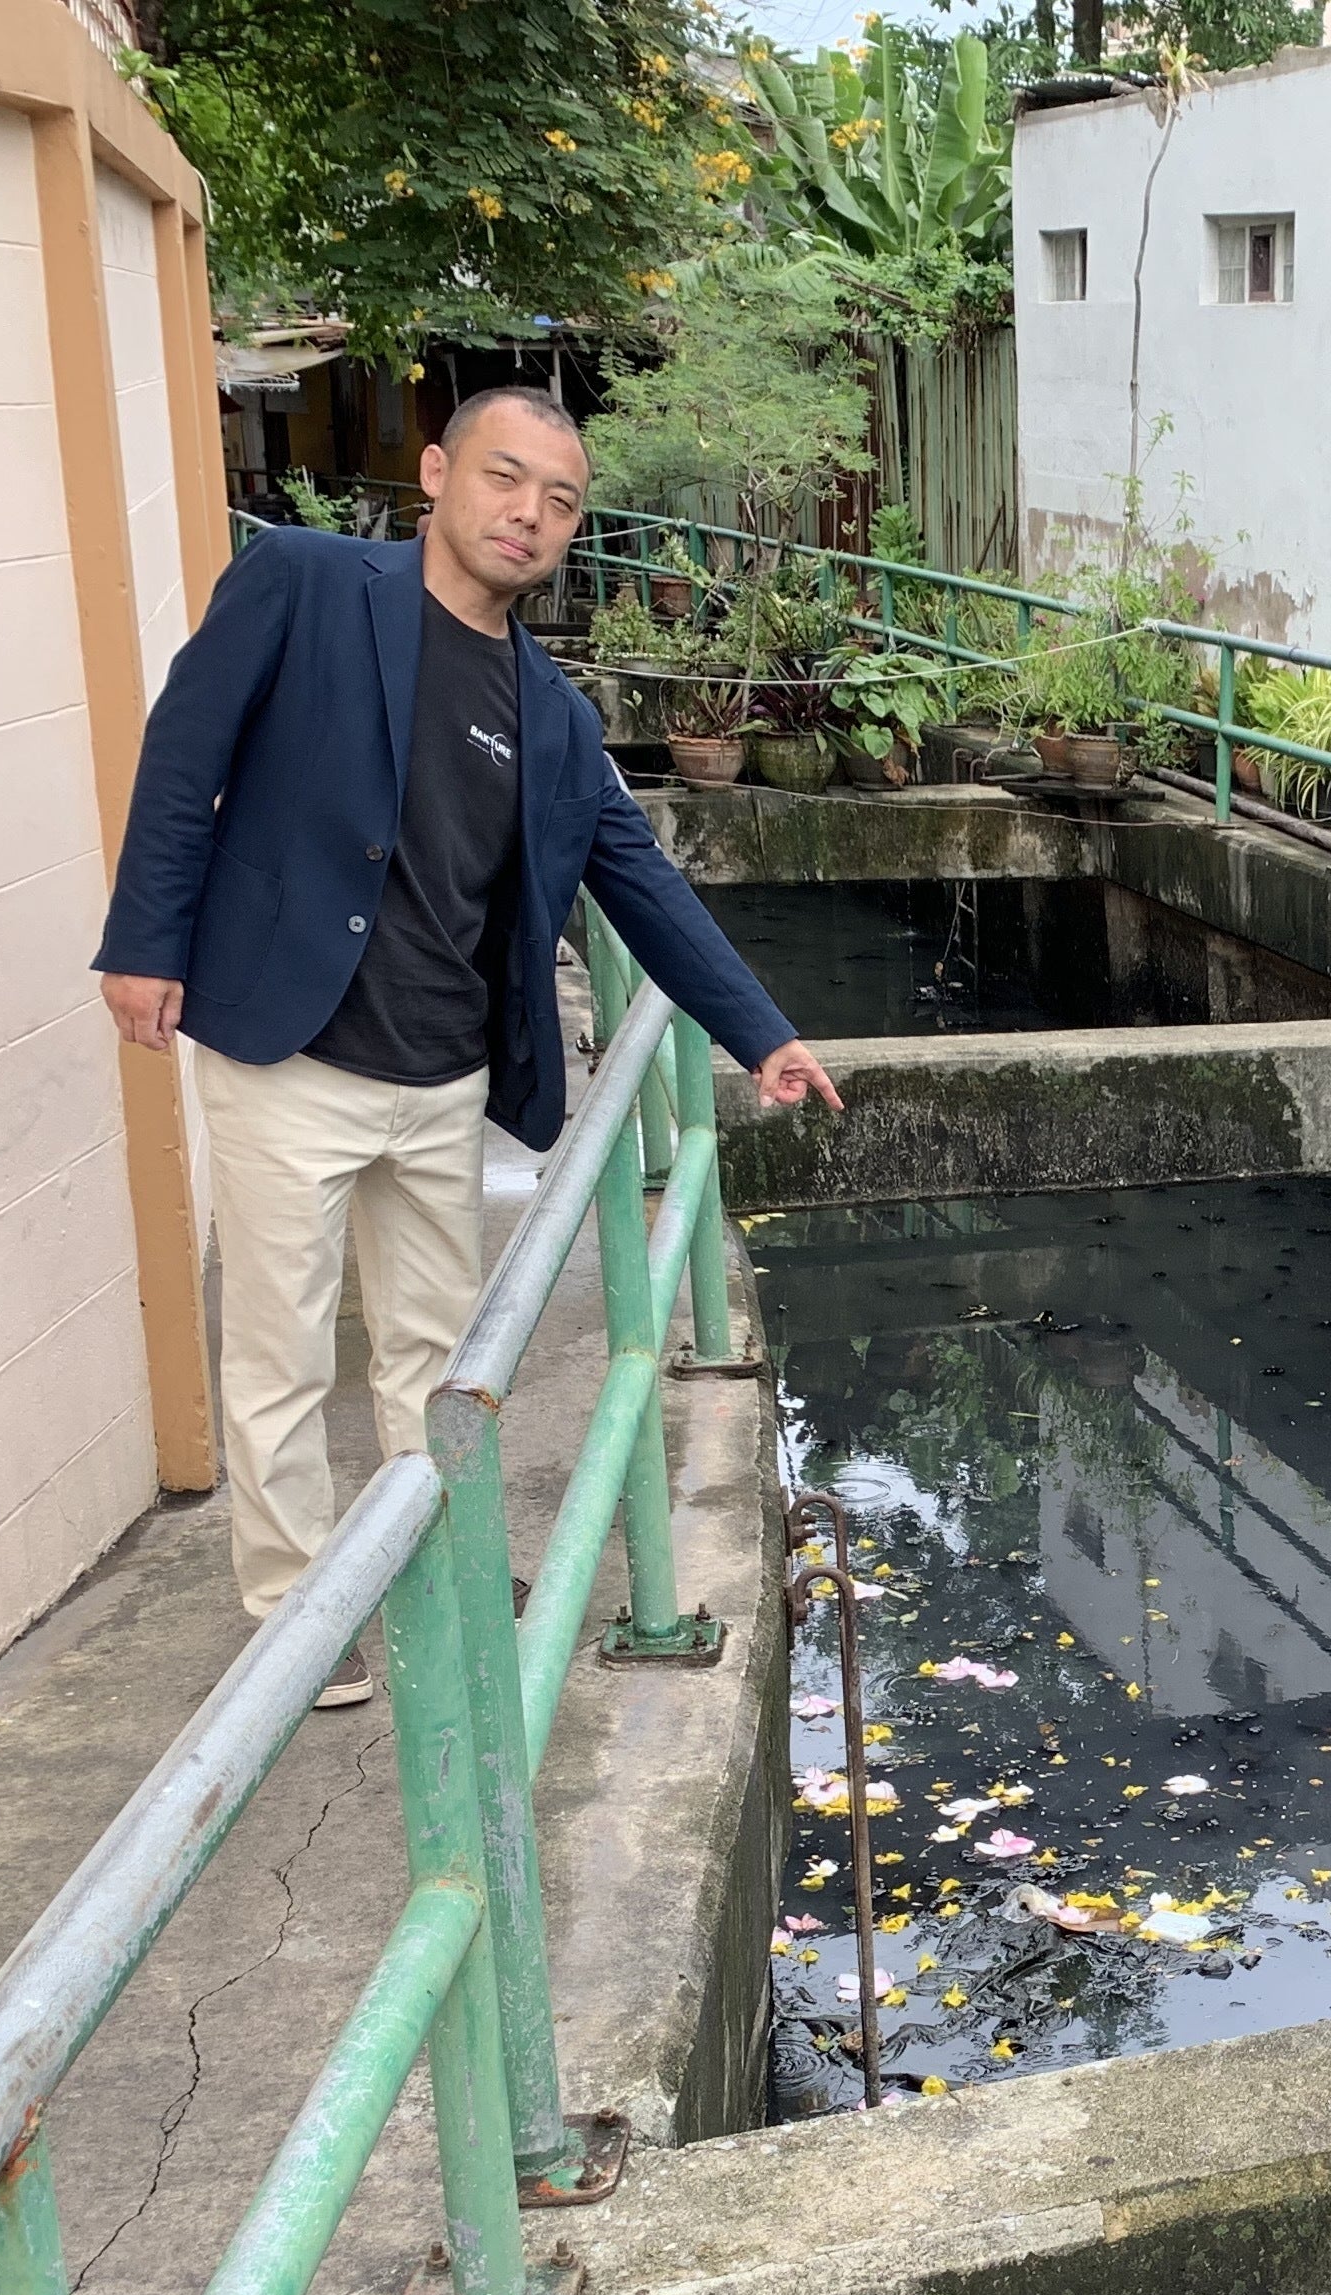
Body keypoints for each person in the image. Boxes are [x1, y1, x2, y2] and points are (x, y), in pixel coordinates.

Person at [94, 387, 840, 1705]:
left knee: (437, 1361)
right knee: (281, 1352)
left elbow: (638, 882)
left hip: (442, 1077)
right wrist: (144, 938)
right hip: (290, 1054)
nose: (529, 516)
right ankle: (296, 1620)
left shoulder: (547, 711)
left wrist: (760, 1033)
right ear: (437, 472)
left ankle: (433, 1571)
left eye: (559, 503)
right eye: (507, 480)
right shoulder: (307, 581)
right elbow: (182, 752)